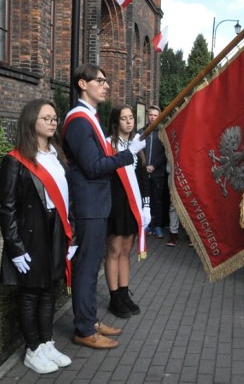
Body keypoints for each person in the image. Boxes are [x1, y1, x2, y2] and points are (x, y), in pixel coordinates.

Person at [63, 63, 145, 349]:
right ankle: (84, 329)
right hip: (89, 205)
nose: (106, 85)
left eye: (106, 79)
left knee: (90, 266)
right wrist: (126, 156)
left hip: (96, 204)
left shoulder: (90, 118)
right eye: (100, 80)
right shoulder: (79, 120)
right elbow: (93, 166)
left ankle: (89, 319)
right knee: (86, 268)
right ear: (83, 84)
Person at [0, 99, 74, 373]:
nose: (53, 122)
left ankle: (46, 342)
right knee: (30, 293)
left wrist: (70, 236)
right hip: (31, 233)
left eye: (55, 118)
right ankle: (32, 349)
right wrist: (15, 248)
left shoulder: (57, 156)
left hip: (55, 230)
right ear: (32, 121)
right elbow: (7, 209)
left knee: (48, 290)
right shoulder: (15, 160)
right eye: (46, 118)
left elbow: (67, 200)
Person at [105, 105, 150, 318]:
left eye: (131, 118)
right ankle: (114, 297)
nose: (129, 122)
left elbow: (143, 177)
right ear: (116, 122)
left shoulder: (137, 145)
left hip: (133, 204)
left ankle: (124, 292)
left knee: (126, 251)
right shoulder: (107, 144)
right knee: (114, 251)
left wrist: (147, 205)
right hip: (116, 205)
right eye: (124, 118)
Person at [140, 105, 168, 239]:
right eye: (150, 115)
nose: (152, 117)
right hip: (144, 173)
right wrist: (144, 165)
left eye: (155, 115)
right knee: (145, 199)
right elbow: (137, 151)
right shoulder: (141, 132)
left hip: (157, 173)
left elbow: (165, 154)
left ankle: (157, 226)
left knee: (157, 200)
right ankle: (146, 225)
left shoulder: (163, 133)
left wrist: (154, 165)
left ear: (159, 117)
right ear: (147, 116)